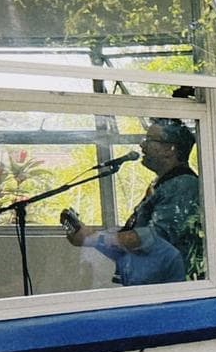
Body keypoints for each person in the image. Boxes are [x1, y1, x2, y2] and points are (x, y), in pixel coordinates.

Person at [67, 118, 205, 285]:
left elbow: (153, 239)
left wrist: (95, 238)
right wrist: (90, 236)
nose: (142, 145)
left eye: (149, 140)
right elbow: (134, 243)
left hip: (171, 291)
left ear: (170, 148)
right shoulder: (163, 184)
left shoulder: (183, 185)